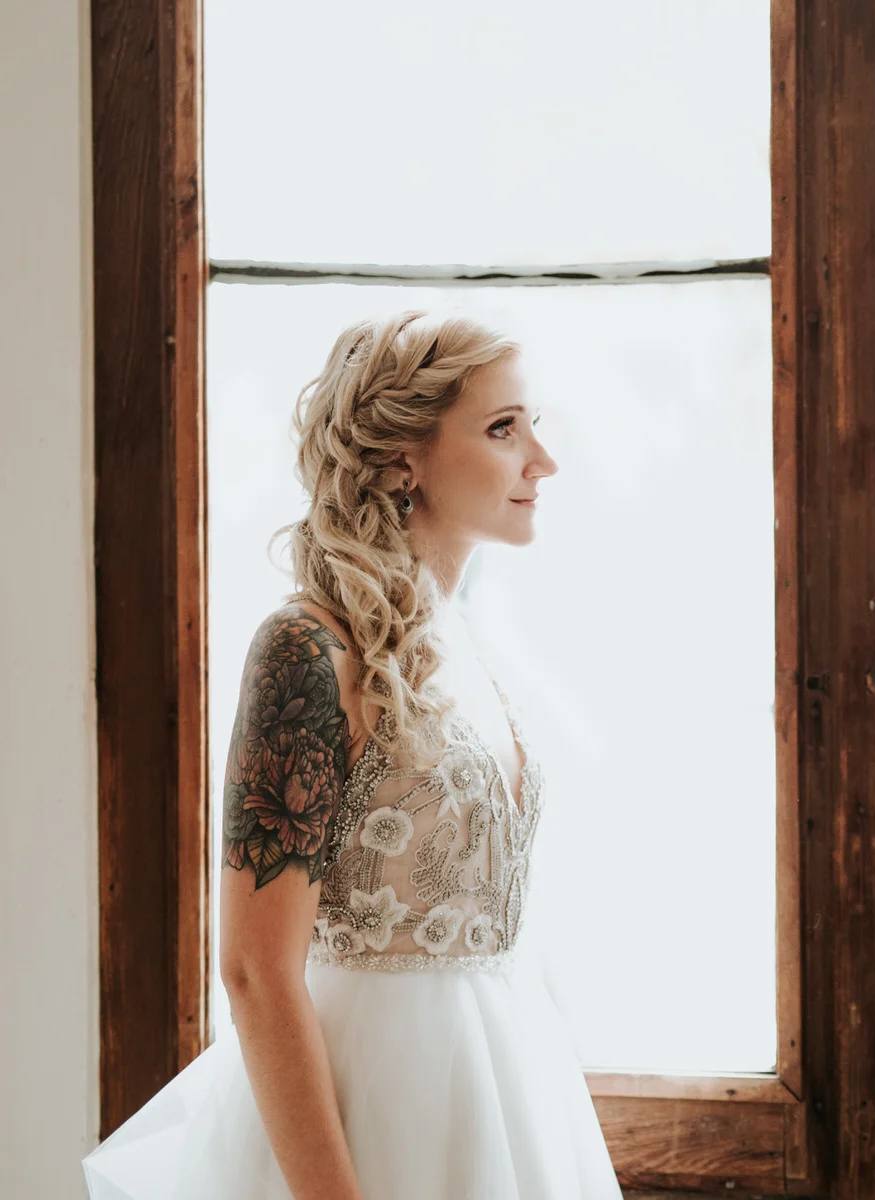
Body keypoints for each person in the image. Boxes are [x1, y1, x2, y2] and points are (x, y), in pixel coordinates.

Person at [84, 312, 622, 1199]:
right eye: (503, 429)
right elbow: (255, 971)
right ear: (405, 459)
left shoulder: (465, 647)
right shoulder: (308, 649)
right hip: (367, 1112)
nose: (543, 460)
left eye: (535, 424)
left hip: (505, 1096)